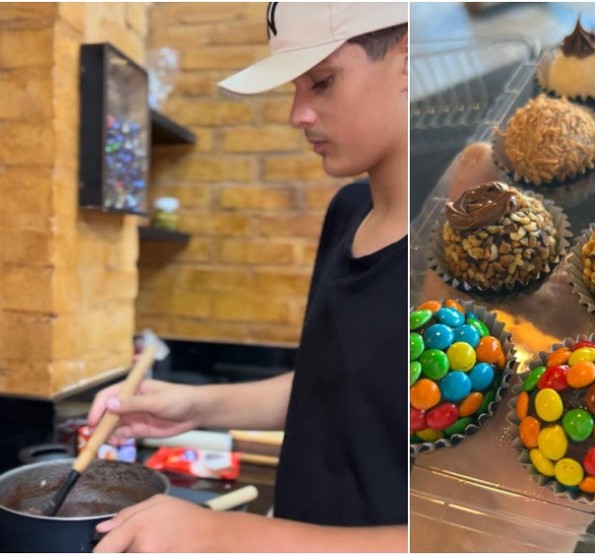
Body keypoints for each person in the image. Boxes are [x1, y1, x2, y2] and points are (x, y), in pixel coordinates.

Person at [88, 3, 408, 551]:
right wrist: (194, 408)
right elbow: (344, 392)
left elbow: (472, 537)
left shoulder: (456, 253)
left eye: (322, 82)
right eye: (295, 88)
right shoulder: (348, 212)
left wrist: (226, 534)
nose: (297, 114)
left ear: (408, 58)